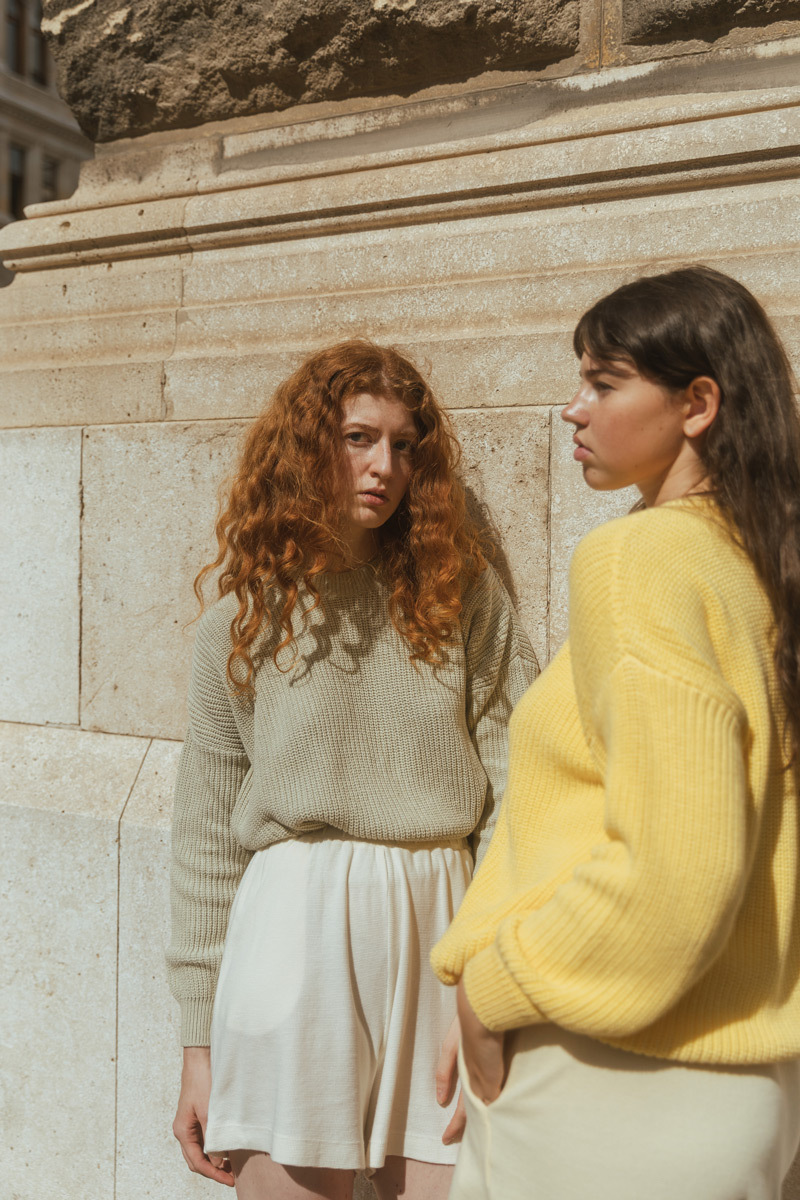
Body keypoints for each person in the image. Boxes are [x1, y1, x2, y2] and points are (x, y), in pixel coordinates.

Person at [432, 265, 800, 1200]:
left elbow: (675, 868)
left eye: (603, 383)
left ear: (697, 404)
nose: (573, 410)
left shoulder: (639, 560)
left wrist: (496, 988)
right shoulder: (761, 568)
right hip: (746, 1085)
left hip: (614, 1076)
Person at [166, 340, 537, 1200]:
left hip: (442, 926)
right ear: (305, 448)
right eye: (359, 438)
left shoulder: (463, 598)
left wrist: (496, 964)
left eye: (405, 446)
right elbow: (204, 842)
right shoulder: (239, 622)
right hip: (288, 932)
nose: (385, 467)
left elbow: (522, 789)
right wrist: (198, 1042)